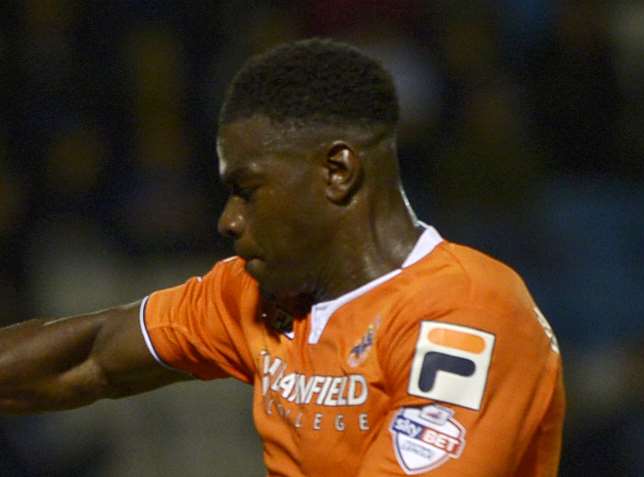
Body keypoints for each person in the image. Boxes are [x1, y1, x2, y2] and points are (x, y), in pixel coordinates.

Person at [0, 38, 564, 476]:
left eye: (248, 189)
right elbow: (91, 358)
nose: (228, 220)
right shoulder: (261, 293)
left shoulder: (466, 314)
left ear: (337, 172)